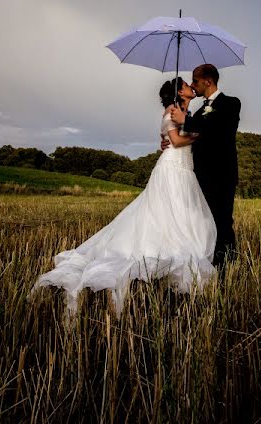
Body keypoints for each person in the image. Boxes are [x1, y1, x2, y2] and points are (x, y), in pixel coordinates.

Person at [30, 78, 216, 316]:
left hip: (185, 167)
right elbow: (178, 140)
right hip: (171, 168)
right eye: (187, 85)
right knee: (168, 212)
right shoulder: (171, 111)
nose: (191, 86)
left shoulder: (186, 111)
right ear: (179, 92)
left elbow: (175, 138)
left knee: (181, 214)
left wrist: (189, 130)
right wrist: (198, 135)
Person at [168, 63, 240, 267]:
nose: (193, 85)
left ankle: (227, 265)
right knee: (204, 222)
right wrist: (170, 141)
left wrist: (186, 121)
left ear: (208, 81)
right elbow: (192, 135)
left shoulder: (231, 104)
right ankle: (209, 262)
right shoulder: (200, 111)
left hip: (222, 174)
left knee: (223, 221)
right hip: (200, 175)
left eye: (196, 81)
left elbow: (217, 129)